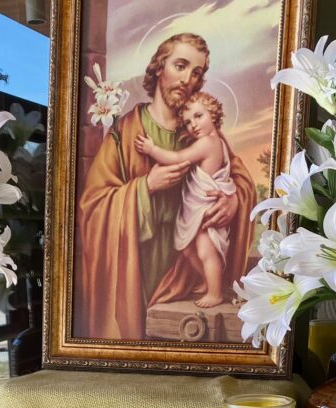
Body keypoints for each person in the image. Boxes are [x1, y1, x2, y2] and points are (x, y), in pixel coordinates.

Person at [76, 32, 255, 340]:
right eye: (180, 66)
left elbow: (240, 181)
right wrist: (145, 187)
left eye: (196, 72)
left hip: (186, 280)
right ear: (159, 67)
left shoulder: (201, 136)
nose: (188, 79)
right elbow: (92, 206)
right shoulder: (126, 131)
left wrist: (234, 202)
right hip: (137, 273)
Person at [135, 91, 235, 308]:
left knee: (205, 250)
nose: (193, 125)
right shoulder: (211, 141)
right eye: (188, 122)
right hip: (198, 206)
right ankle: (208, 282)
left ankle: (216, 292)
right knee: (189, 249)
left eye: (199, 116)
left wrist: (152, 149)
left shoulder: (207, 143)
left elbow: (178, 159)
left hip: (204, 209)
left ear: (214, 114)